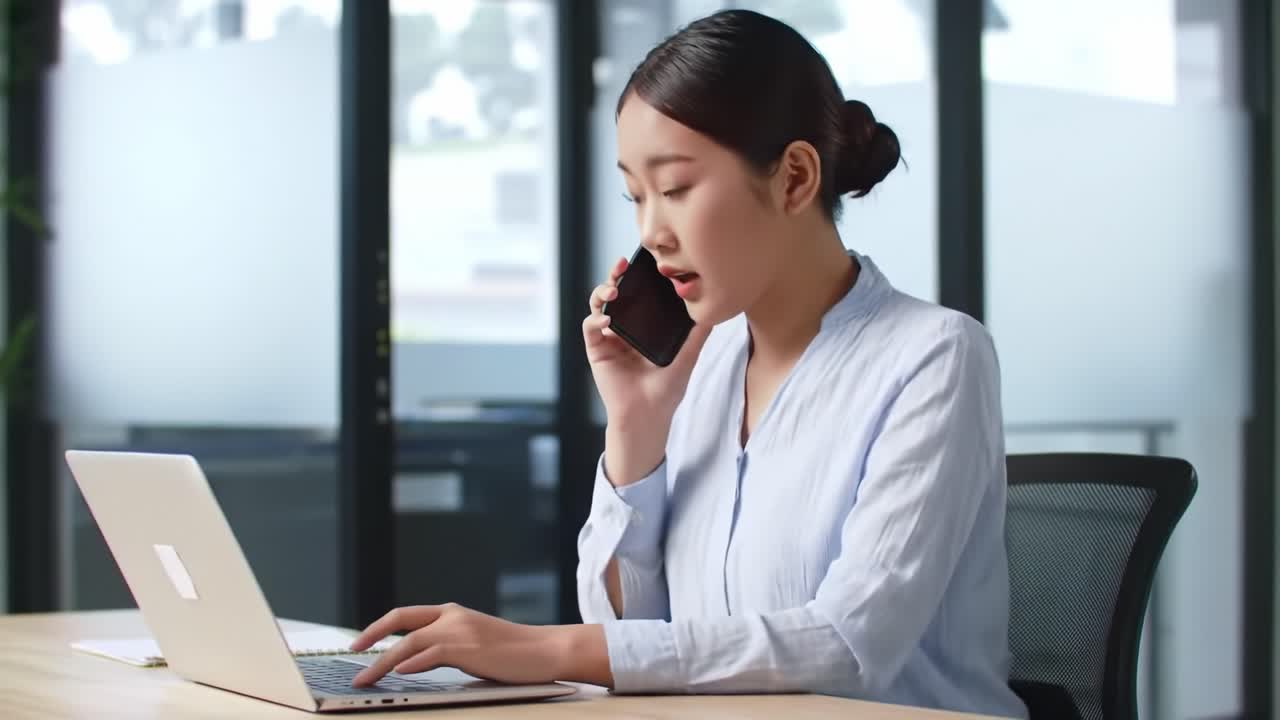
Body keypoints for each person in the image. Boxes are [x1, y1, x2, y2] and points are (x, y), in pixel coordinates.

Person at [348, 9, 1027, 718]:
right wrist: (635, 434)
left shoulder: (935, 356)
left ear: (794, 178)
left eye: (674, 189)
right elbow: (629, 636)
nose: (650, 232)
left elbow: (848, 648)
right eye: (635, 197)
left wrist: (543, 649)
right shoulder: (703, 363)